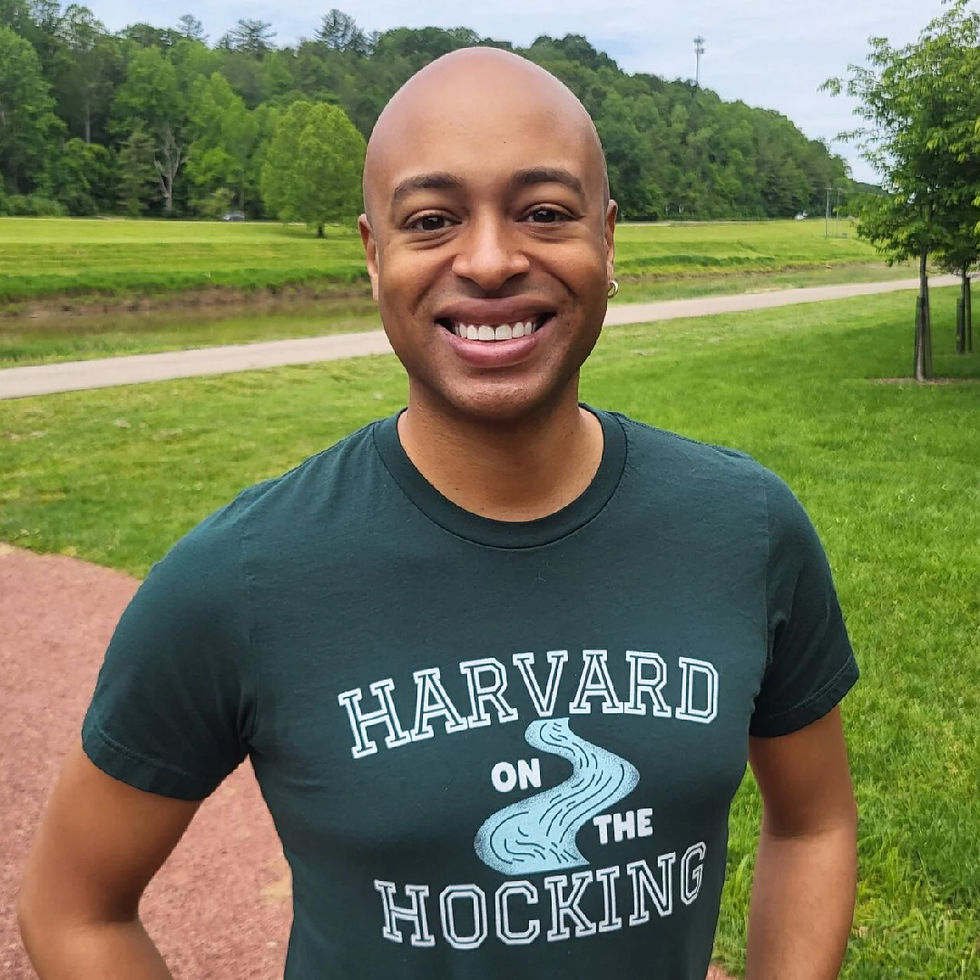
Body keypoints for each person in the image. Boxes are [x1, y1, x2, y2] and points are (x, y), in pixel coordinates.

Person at [18, 48, 858, 980]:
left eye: (544, 212)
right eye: (432, 219)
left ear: (609, 241)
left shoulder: (743, 527)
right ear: (376, 255)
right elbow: (76, 910)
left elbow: (814, 820)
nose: (492, 260)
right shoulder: (243, 576)